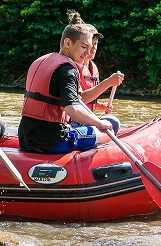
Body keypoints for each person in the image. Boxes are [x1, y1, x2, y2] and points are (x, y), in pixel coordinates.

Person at [18, 12, 114, 154]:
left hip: (25, 137)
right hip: (52, 141)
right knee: (113, 126)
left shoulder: (41, 60)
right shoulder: (67, 70)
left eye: (90, 47)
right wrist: (99, 123)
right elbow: (72, 109)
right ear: (67, 43)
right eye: (83, 47)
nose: (88, 53)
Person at [78, 23, 123, 133]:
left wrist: (101, 107)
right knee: (114, 122)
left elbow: (90, 98)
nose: (93, 48)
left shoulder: (93, 68)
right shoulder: (73, 68)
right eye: (90, 44)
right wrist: (108, 82)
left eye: (96, 44)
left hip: (89, 119)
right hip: (75, 120)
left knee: (113, 121)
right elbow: (79, 100)